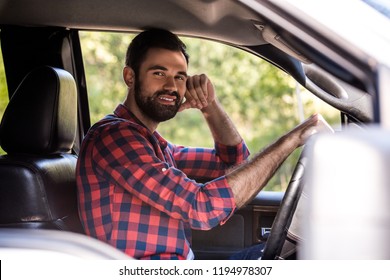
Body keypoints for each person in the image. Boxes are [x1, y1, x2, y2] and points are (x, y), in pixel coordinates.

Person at [76, 28, 327, 260]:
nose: (171, 86)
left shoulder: (155, 145)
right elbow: (203, 208)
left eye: (180, 77)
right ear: (130, 77)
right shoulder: (114, 138)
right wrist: (293, 138)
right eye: (159, 73)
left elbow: (237, 162)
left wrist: (209, 105)